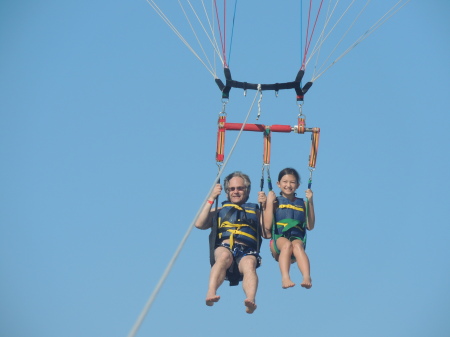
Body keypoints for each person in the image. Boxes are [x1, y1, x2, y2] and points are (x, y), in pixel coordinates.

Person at [195, 171, 271, 314]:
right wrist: (211, 197)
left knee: (250, 263)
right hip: (225, 247)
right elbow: (199, 223)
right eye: (232, 189)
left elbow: (266, 233)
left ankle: (250, 300)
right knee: (224, 257)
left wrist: (265, 206)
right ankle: (211, 292)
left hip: (247, 251)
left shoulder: (255, 211)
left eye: (240, 188)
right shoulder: (221, 210)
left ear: (247, 190)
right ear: (227, 192)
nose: (236, 192)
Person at [266, 167, 316, 289]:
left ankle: (306, 276)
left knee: (297, 246)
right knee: (287, 245)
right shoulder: (275, 202)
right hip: (279, 238)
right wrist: (268, 202)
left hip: (297, 237)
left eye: (292, 182)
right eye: (285, 182)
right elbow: (267, 226)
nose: (288, 185)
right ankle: (285, 277)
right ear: (278, 184)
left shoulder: (302, 204)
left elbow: (310, 225)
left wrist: (310, 201)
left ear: (298, 185)